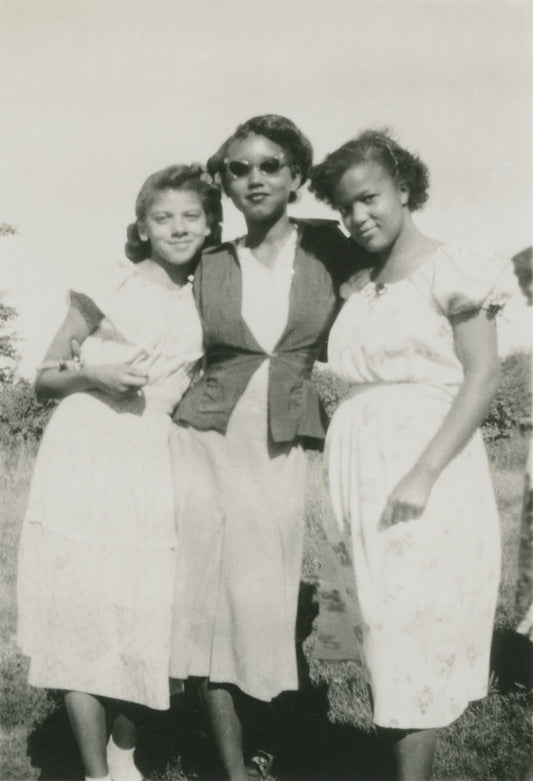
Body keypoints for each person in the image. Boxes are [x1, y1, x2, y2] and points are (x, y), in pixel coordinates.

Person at [309, 129, 519, 781]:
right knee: (377, 633)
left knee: (408, 638)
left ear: (404, 188)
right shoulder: (356, 284)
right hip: (357, 469)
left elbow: (480, 375)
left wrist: (423, 473)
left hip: (421, 467)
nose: (357, 216)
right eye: (343, 207)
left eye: (369, 197)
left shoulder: (451, 265)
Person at [169, 114, 364, 781]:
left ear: (296, 176)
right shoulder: (206, 259)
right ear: (221, 181)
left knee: (270, 601)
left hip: (280, 449)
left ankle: (279, 737)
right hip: (203, 443)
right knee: (211, 600)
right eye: (238, 168)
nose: (253, 179)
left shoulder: (331, 247)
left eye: (269, 166)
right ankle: (230, 767)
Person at [17, 165, 222, 781]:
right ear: (142, 226)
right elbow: (44, 378)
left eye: (191, 215)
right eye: (163, 216)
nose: (178, 227)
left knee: (146, 608)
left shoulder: (209, 299)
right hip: (85, 446)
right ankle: (96, 773)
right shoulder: (111, 284)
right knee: (78, 608)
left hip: (153, 453)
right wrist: (93, 375)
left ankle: (125, 750)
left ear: (211, 224)